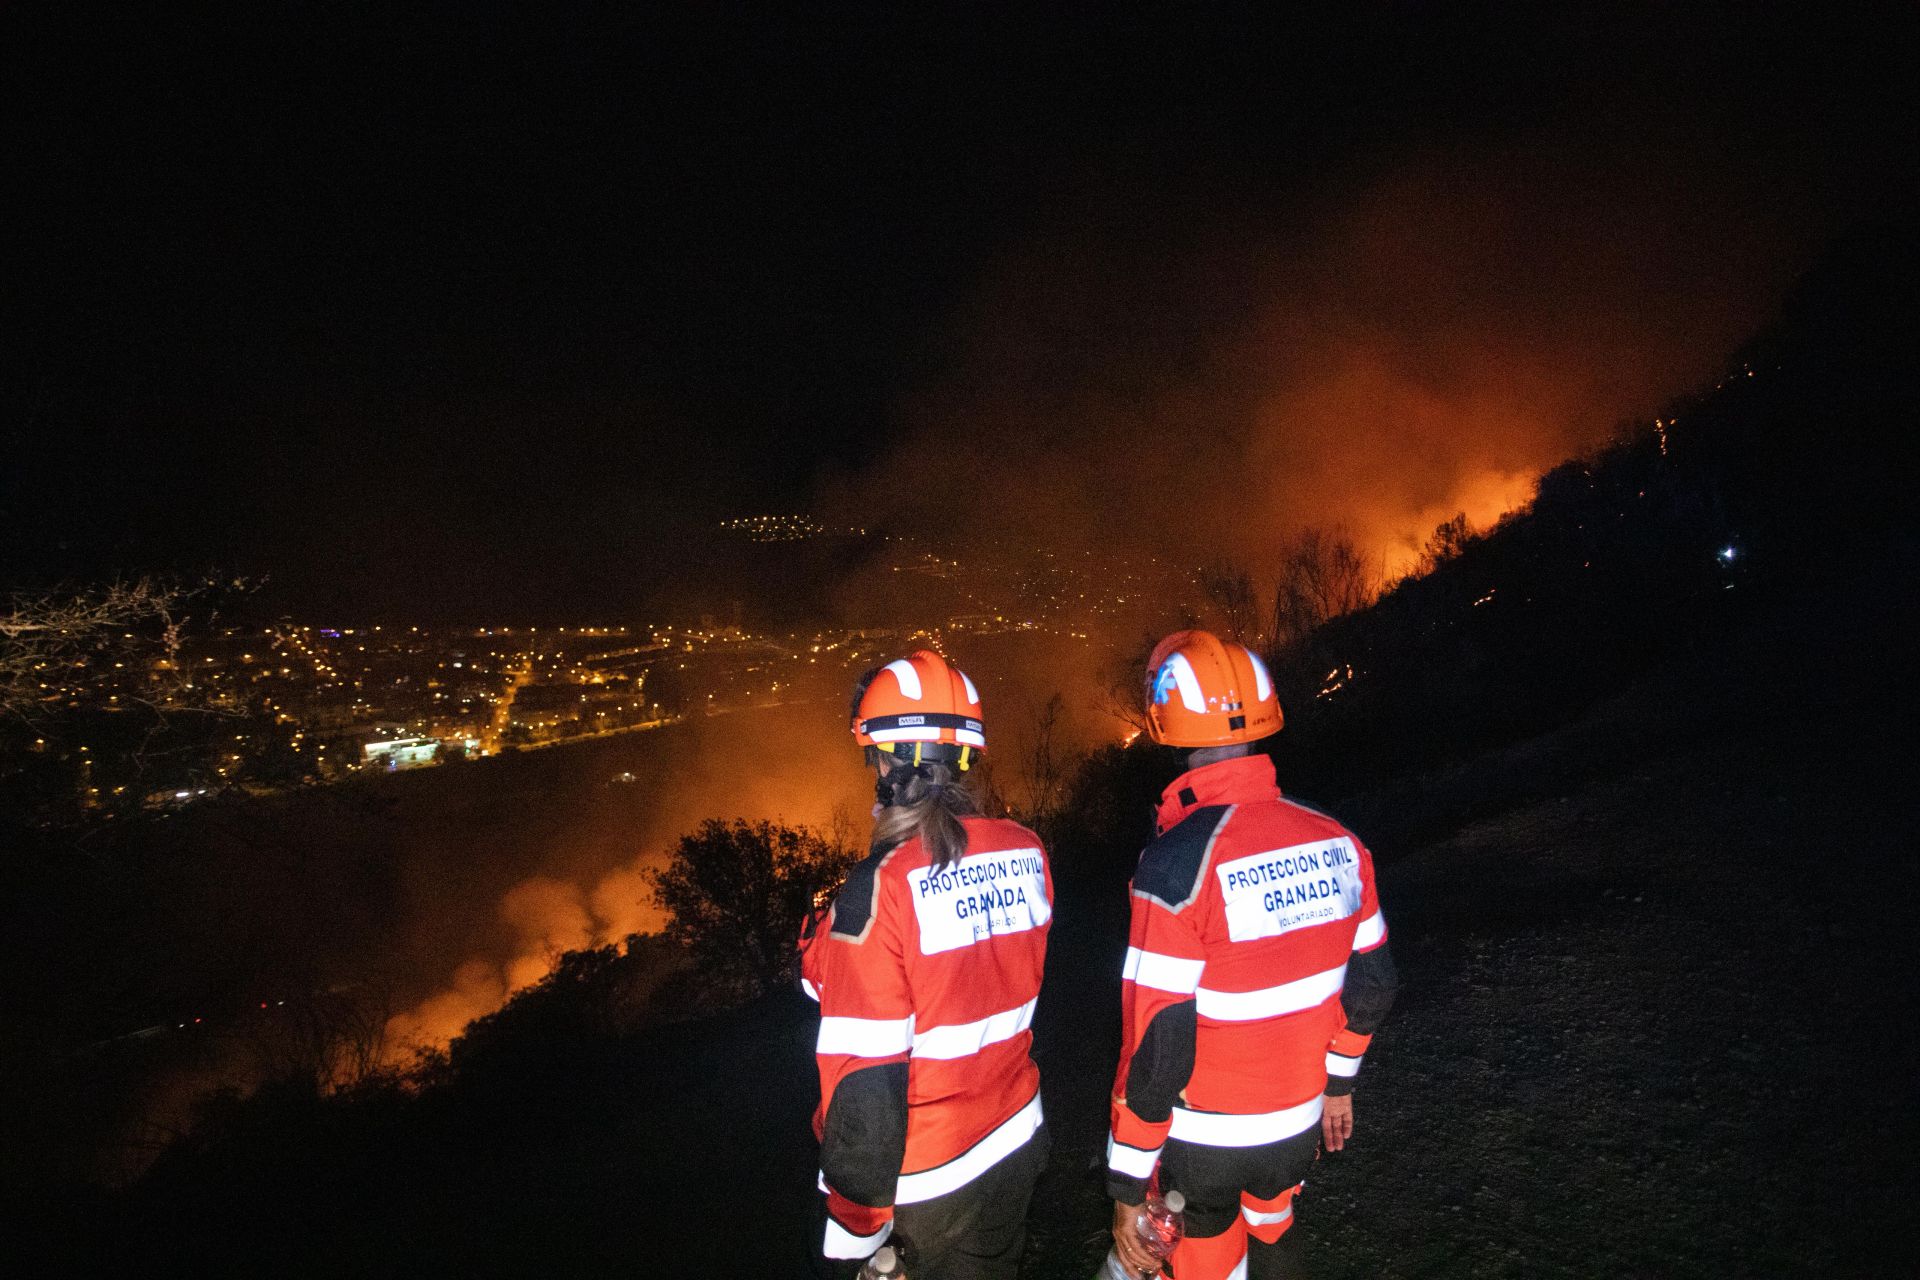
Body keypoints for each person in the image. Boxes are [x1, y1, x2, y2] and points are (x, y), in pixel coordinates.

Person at [1106, 630, 1397, 1279]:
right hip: (1296, 1127)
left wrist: (1127, 1184)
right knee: (1274, 1227)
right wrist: (1339, 1085)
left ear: (1167, 723)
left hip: (1204, 1143)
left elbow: (1160, 1048)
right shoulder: (1339, 840)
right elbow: (1375, 983)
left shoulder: (1174, 867)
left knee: (1206, 1249)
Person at [802, 650, 1053, 1279]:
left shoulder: (879, 888)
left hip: (928, 1181)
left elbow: (863, 1086)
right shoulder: (1028, 849)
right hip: (1018, 1140)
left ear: (886, 762)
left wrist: (855, 1232)